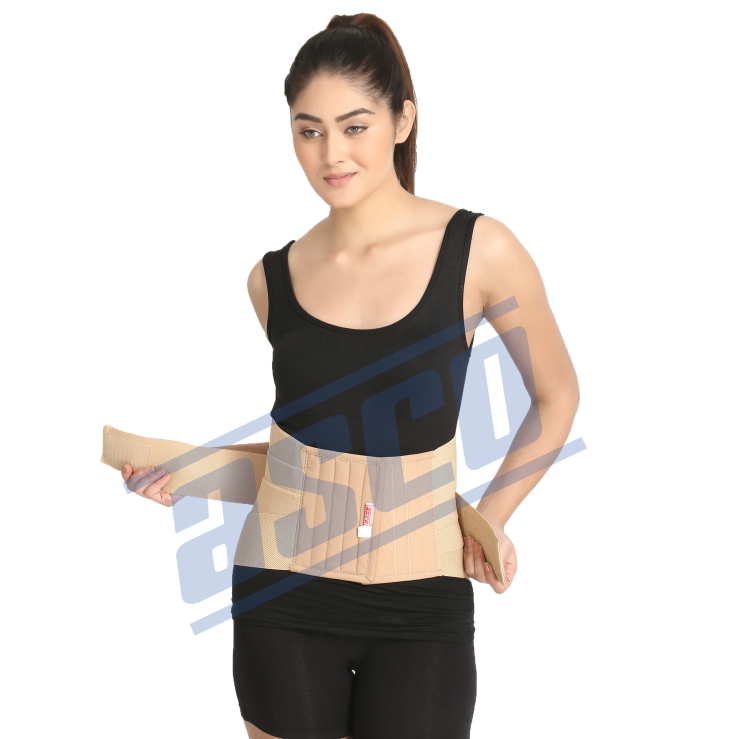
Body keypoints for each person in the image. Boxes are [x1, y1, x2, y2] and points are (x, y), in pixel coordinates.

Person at [122, 13, 579, 739]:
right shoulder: (272, 278)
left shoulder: (480, 250)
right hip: (283, 592)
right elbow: (313, 454)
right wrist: (187, 473)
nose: (330, 153)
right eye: (308, 130)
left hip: (422, 595)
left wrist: (492, 517)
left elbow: (557, 395)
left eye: (354, 126)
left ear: (403, 120)